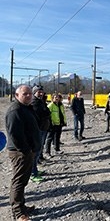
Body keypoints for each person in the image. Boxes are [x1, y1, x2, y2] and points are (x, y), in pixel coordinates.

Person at [5, 85, 40, 221]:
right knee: (18, 181)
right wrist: (26, 150)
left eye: (30, 94)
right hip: (20, 153)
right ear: (17, 95)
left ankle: (22, 206)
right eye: (25, 94)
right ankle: (19, 213)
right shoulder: (15, 110)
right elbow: (15, 135)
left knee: (23, 180)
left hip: (27, 151)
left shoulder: (25, 108)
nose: (29, 96)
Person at [30, 85, 51, 182]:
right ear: (34, 92)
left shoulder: (40, 101)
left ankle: (35, 170)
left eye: (42, 92)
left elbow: (46, 112)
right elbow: (42, 114)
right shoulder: (34, 102)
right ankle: (32, 173)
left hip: (43, 128)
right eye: (39, 92)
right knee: (35, 152)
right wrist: (46, 113)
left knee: (38, 151)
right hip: (38, 129)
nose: (41, 93)